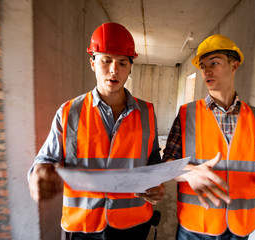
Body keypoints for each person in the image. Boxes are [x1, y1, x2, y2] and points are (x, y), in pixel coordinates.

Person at [28, 22, 165, 240]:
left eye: (122, 62)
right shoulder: (69, 112)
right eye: (106, 60)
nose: (114, 69)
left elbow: (152, 158)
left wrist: (157, 184)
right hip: (83, 226)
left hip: (133, 225)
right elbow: (45, 160)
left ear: (130, 68)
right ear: (92, 63)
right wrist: (39, 174)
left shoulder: (146, 112)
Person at [163, 34, 255, 240]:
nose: (207, 71)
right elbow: (166, 164)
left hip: (239, 226)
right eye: (203, 66)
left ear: (234, 65)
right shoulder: (188, 113)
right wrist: (188, 173)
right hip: (196, 225)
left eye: (214, 63)